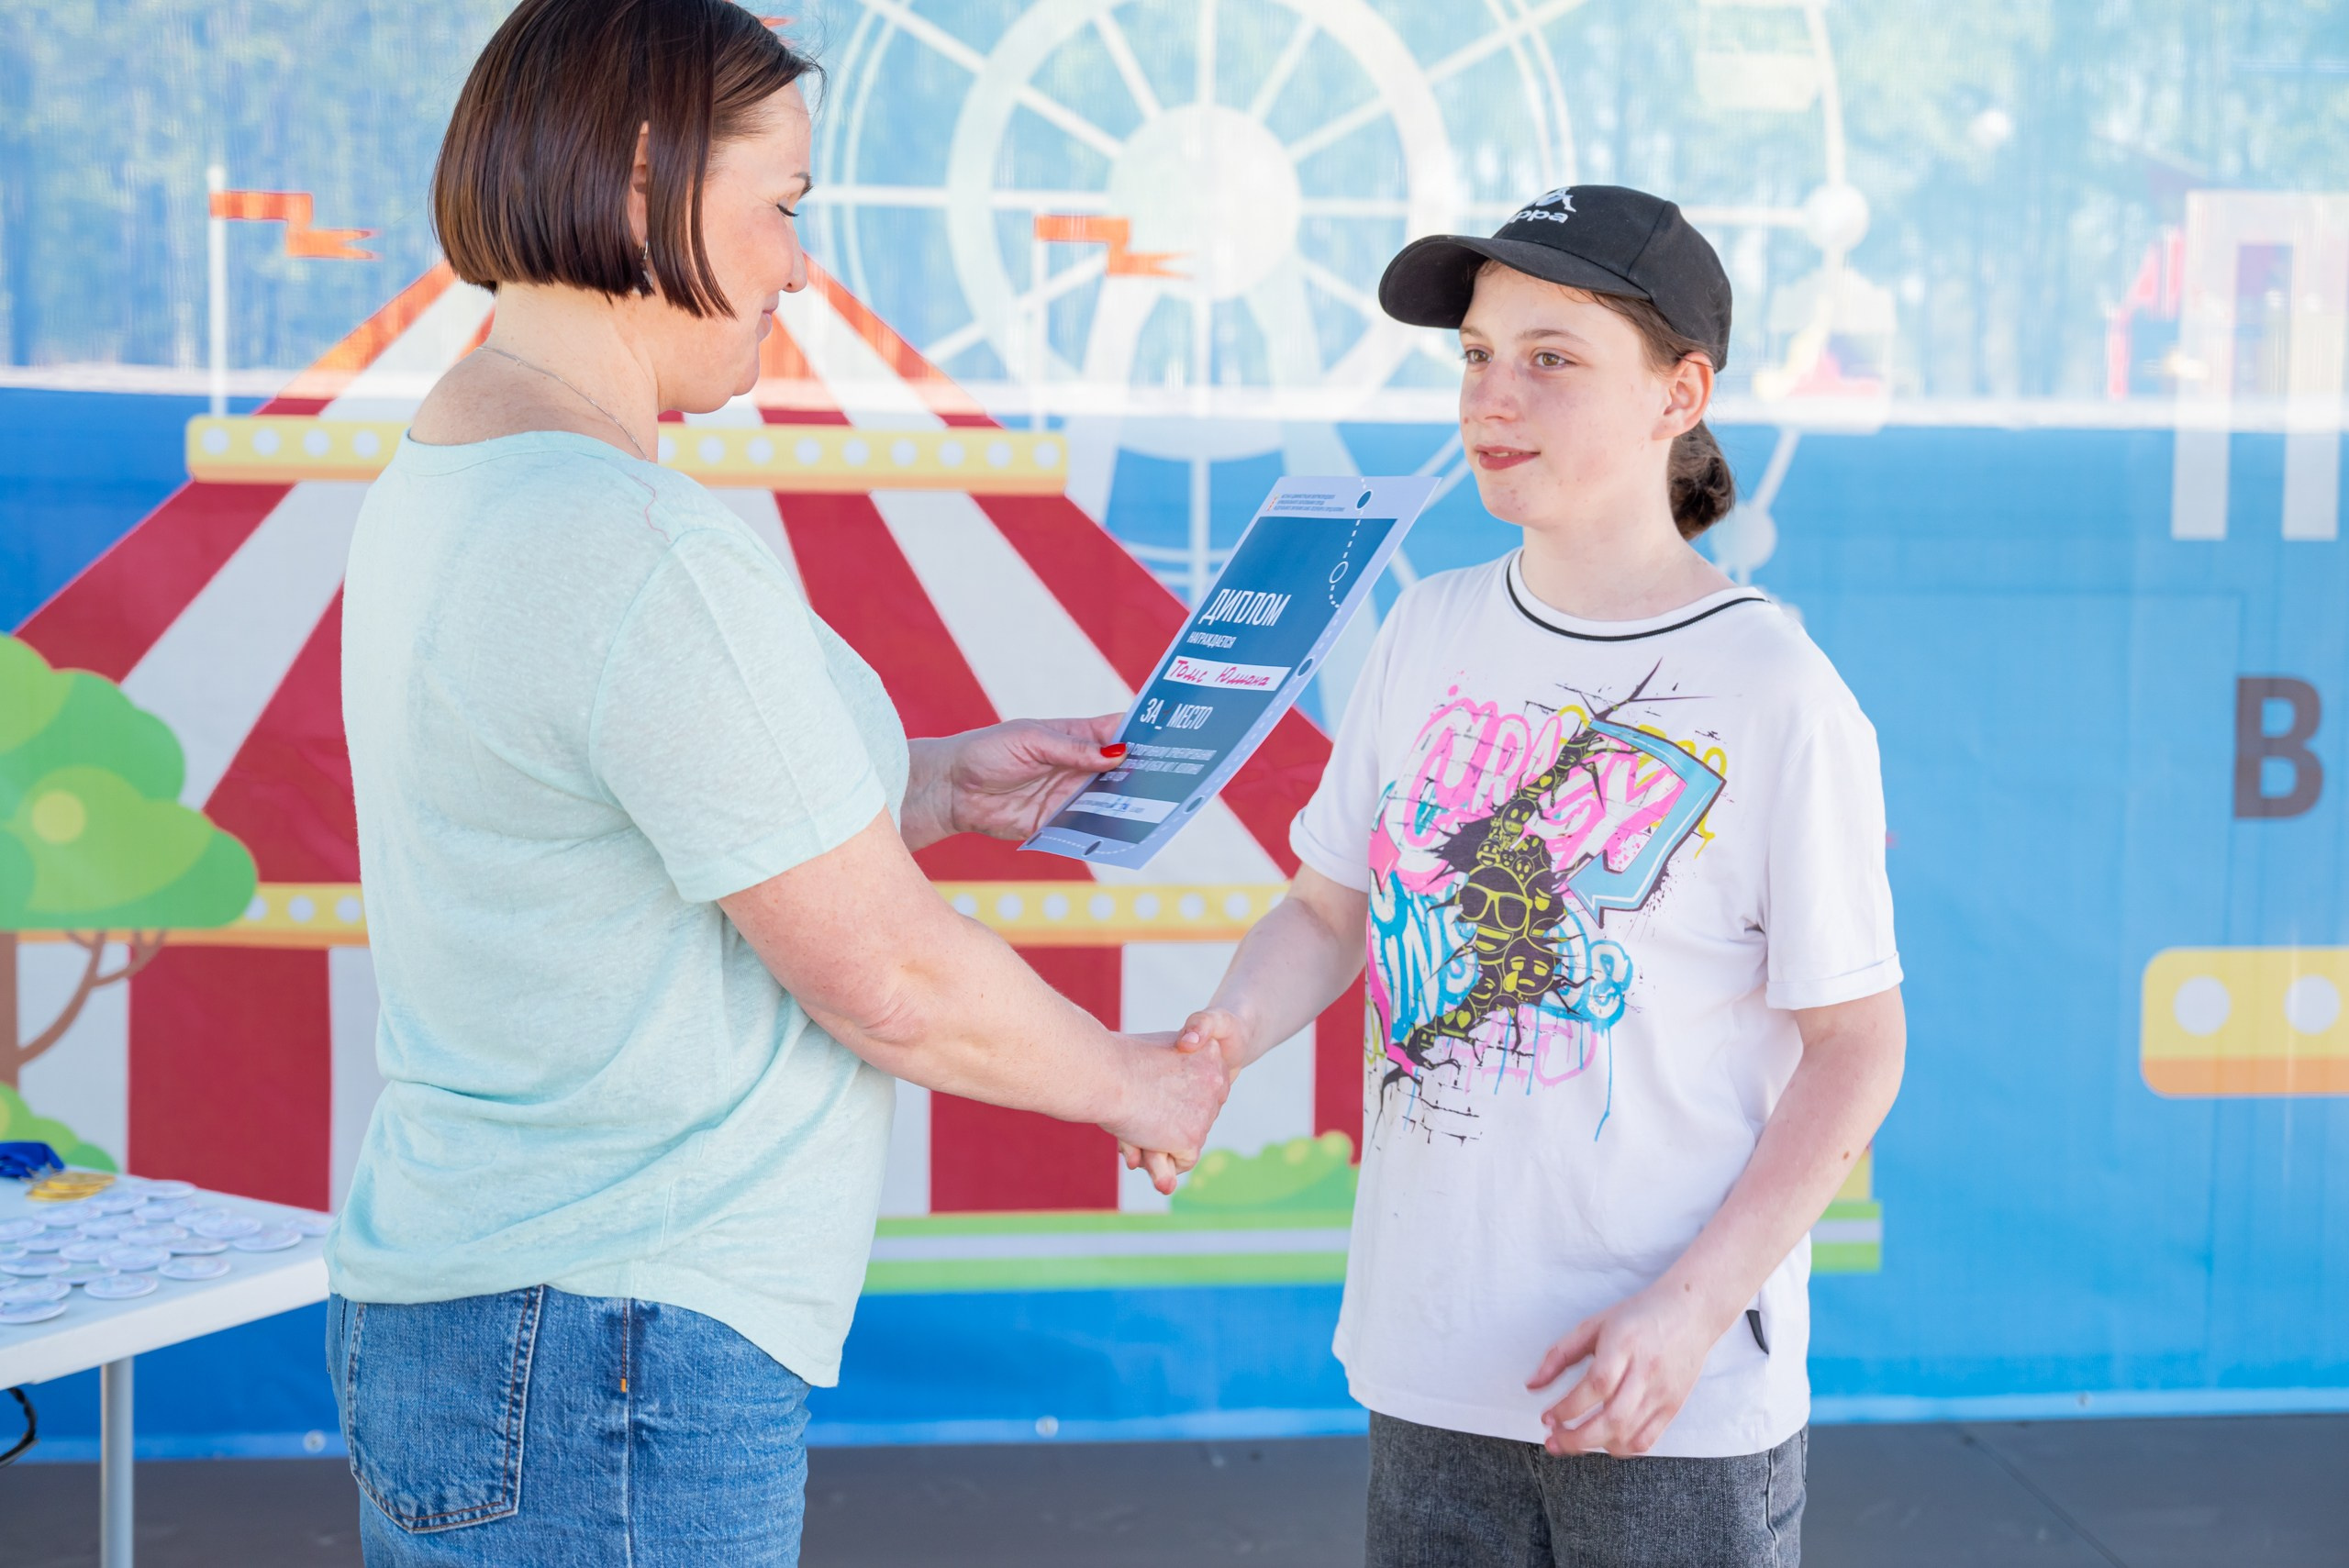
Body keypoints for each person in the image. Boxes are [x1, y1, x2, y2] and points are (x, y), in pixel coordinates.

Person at [326, 2, 1222, 1562]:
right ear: (644, 182)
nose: (800, 268)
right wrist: (1137, 1081)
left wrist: (931, 786)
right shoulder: (632, 542)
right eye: (785, 209)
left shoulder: (460, 473)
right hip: (610, 1351)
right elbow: (885, 978)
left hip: (491, 1322)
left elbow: (613, 817)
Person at [1155, 187, 1906, 1566]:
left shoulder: (1778, 689)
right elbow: (1327, 906)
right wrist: (1220, 1041)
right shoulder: (1426, 630)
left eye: (1552, 357)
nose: (1496, 395)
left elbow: (1857, 1050)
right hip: (1426, 1369)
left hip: (1665, 1408)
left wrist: (1688, 1311)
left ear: (1681, 392)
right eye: (1477, 355)